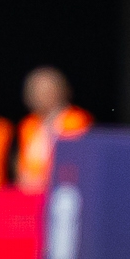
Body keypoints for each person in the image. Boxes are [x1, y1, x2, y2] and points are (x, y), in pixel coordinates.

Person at [14, 66, 91, 194]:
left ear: (61, 91)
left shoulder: (76, 120)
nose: (41, 96)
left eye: (47, 90)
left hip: (62, 190)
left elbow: (74, 161)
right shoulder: (28, 124)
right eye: (37, 91)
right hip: (29, 191)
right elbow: (22, 162)